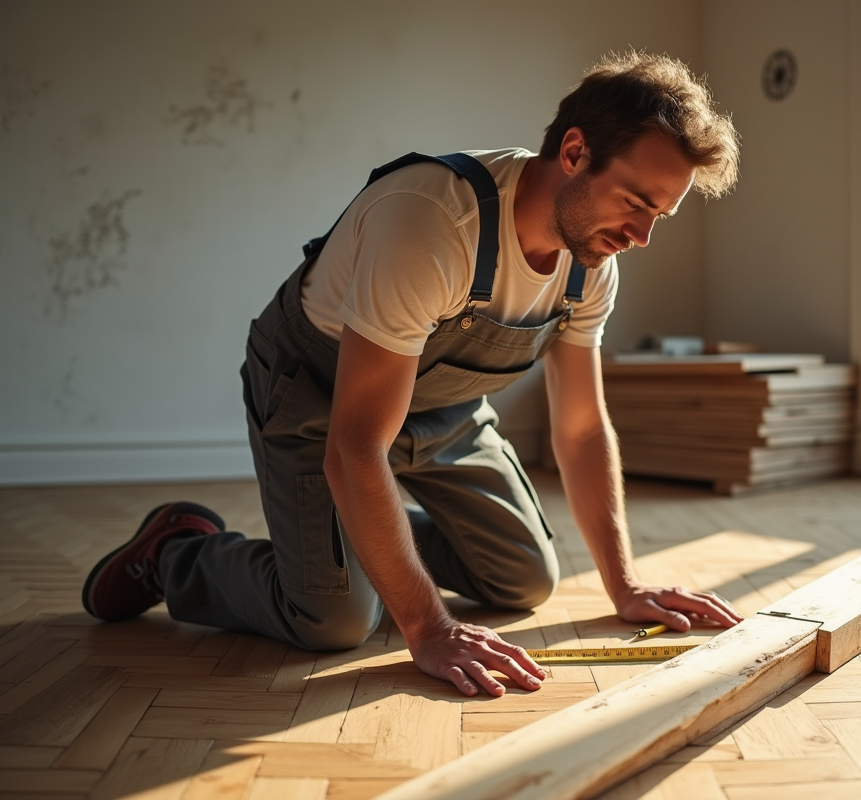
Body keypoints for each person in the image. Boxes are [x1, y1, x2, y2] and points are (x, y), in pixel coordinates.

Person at [81, 51, 743, 698]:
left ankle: (359, 545)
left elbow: (581, 429)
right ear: (574, 153)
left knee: (521, 580)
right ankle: (178, 553)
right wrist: (428, 627)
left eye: (659, 215)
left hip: (443, 407)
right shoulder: (433, 223)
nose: (641, 235)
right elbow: (355, 445)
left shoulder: (590, 262)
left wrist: (624, 584)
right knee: (333, 620)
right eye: (634, 202)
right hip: (319, 394)